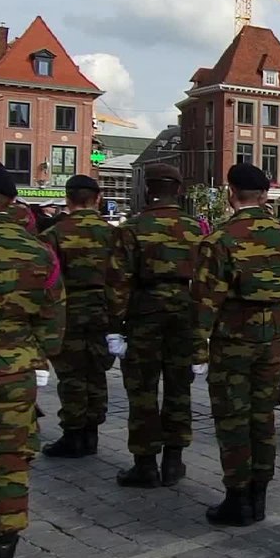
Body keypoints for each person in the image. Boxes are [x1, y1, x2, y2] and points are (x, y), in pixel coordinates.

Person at [193, 163, 280, 527]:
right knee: (264, 417)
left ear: (230, 193)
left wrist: (199, 350)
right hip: (270, 341)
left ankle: (238, 497)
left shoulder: (220, 240)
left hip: (232, 342)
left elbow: (205, 301)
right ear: (264, 196)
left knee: (232, 420)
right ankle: (260, 494)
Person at [107, 164, 208, 488]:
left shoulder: (133, 227)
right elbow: (206, 281)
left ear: (148, 188)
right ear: (178, 190)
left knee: (142, 390)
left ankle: (145, 463)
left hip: (145, 311)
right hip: (184, 313)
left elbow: (118, 281)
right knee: (179, 388)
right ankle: (174, 461)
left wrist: (115, 325)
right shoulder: (196, 229)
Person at [0, 161, 64, 558]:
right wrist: (40, 358)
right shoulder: (38, 250)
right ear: (10, 200)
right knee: (11, 463)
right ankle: (1, 556)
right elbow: (52, 319)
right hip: (14, 372)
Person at [34, 175, 114, 460]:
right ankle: (91, 433)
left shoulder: (54, 234)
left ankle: (74, 435)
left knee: (71, 375)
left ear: (68, 199)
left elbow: (46, 280)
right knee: (97, 371)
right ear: (98, 198)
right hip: (104, 310)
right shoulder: (113, 233)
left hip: (68, 311)